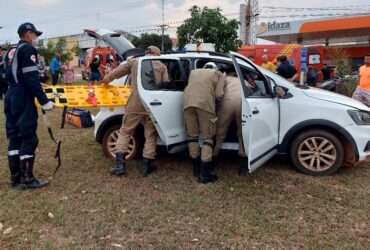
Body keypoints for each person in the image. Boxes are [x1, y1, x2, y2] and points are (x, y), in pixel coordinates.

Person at [100, 46, 168, 177]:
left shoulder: (136, 61)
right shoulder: (162, 66)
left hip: (135, 103)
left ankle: (120, 165)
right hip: (152, 104)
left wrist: (106, 80)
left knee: (125, 131)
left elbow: (117, 72)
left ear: (147, 52)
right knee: (151, 135)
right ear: (157, 54)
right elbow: (166, 84)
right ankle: (147, 165)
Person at [4, 23, 54, 189]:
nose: (36, 38)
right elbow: (31, 78)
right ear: (27, 33)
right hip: (23, 96)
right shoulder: (28, 49)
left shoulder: (11, 51)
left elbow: (8, 74)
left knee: (15, 137)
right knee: (29, 137)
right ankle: (27, 179)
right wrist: (44, 100)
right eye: (34, 34)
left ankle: (15, 178)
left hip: (10, 94)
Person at [183, 62, 225, 184]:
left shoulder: (193, 72)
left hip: (187, 104)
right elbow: (219, 94)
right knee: (208, 137)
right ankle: (205, 174)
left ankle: (195, 168)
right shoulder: (218, 73)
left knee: (192, 136)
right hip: (205, 106)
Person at [213, 70, 246, 171]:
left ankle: (215, 155)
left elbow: (218, 94)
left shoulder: (225, 78)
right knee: (242, 132)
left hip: (227, 103)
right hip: (242, 103)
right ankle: (243, 157)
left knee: (220, 130)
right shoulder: (243, 80)